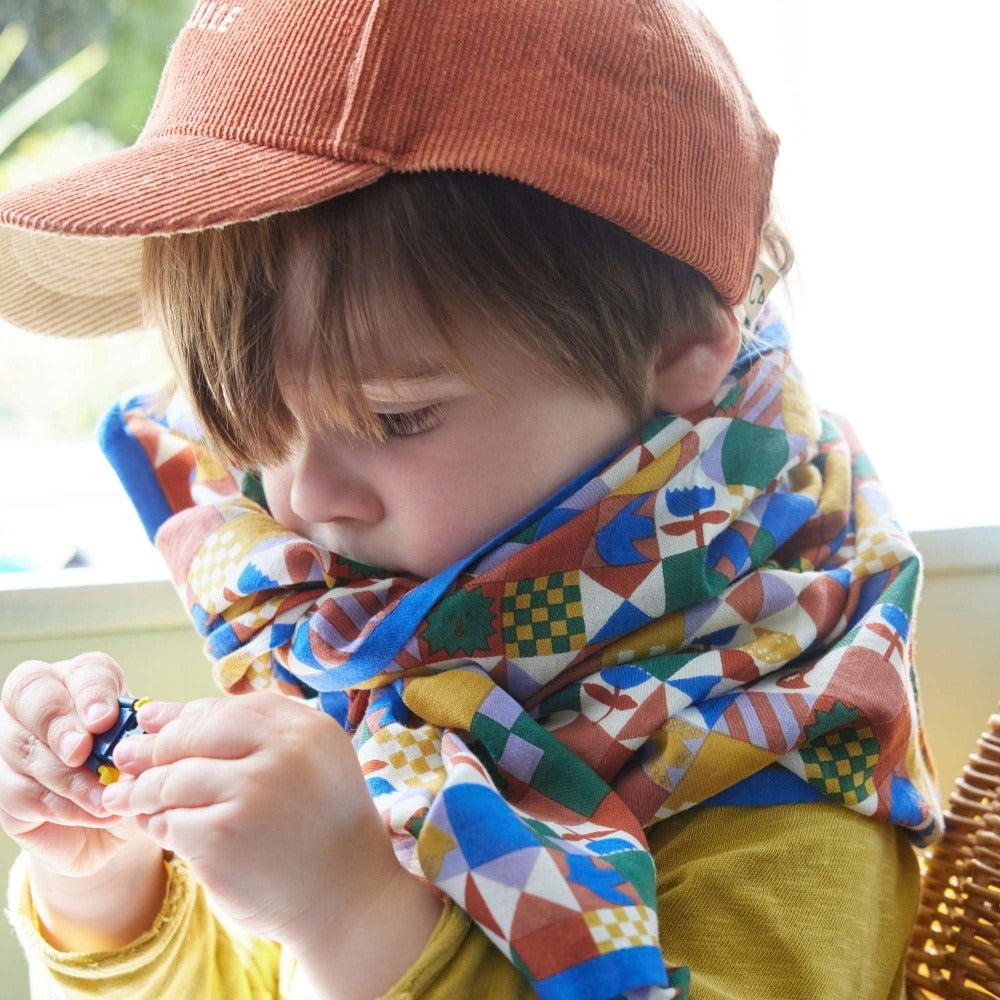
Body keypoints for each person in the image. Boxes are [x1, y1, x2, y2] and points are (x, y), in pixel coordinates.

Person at [0, 2, 941, 998]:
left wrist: (360, 917)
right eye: (255, 422)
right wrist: (109, 886)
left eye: (397, 418)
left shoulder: (781, 767)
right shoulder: (387, 640)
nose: (305, 495)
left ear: (679, 348)